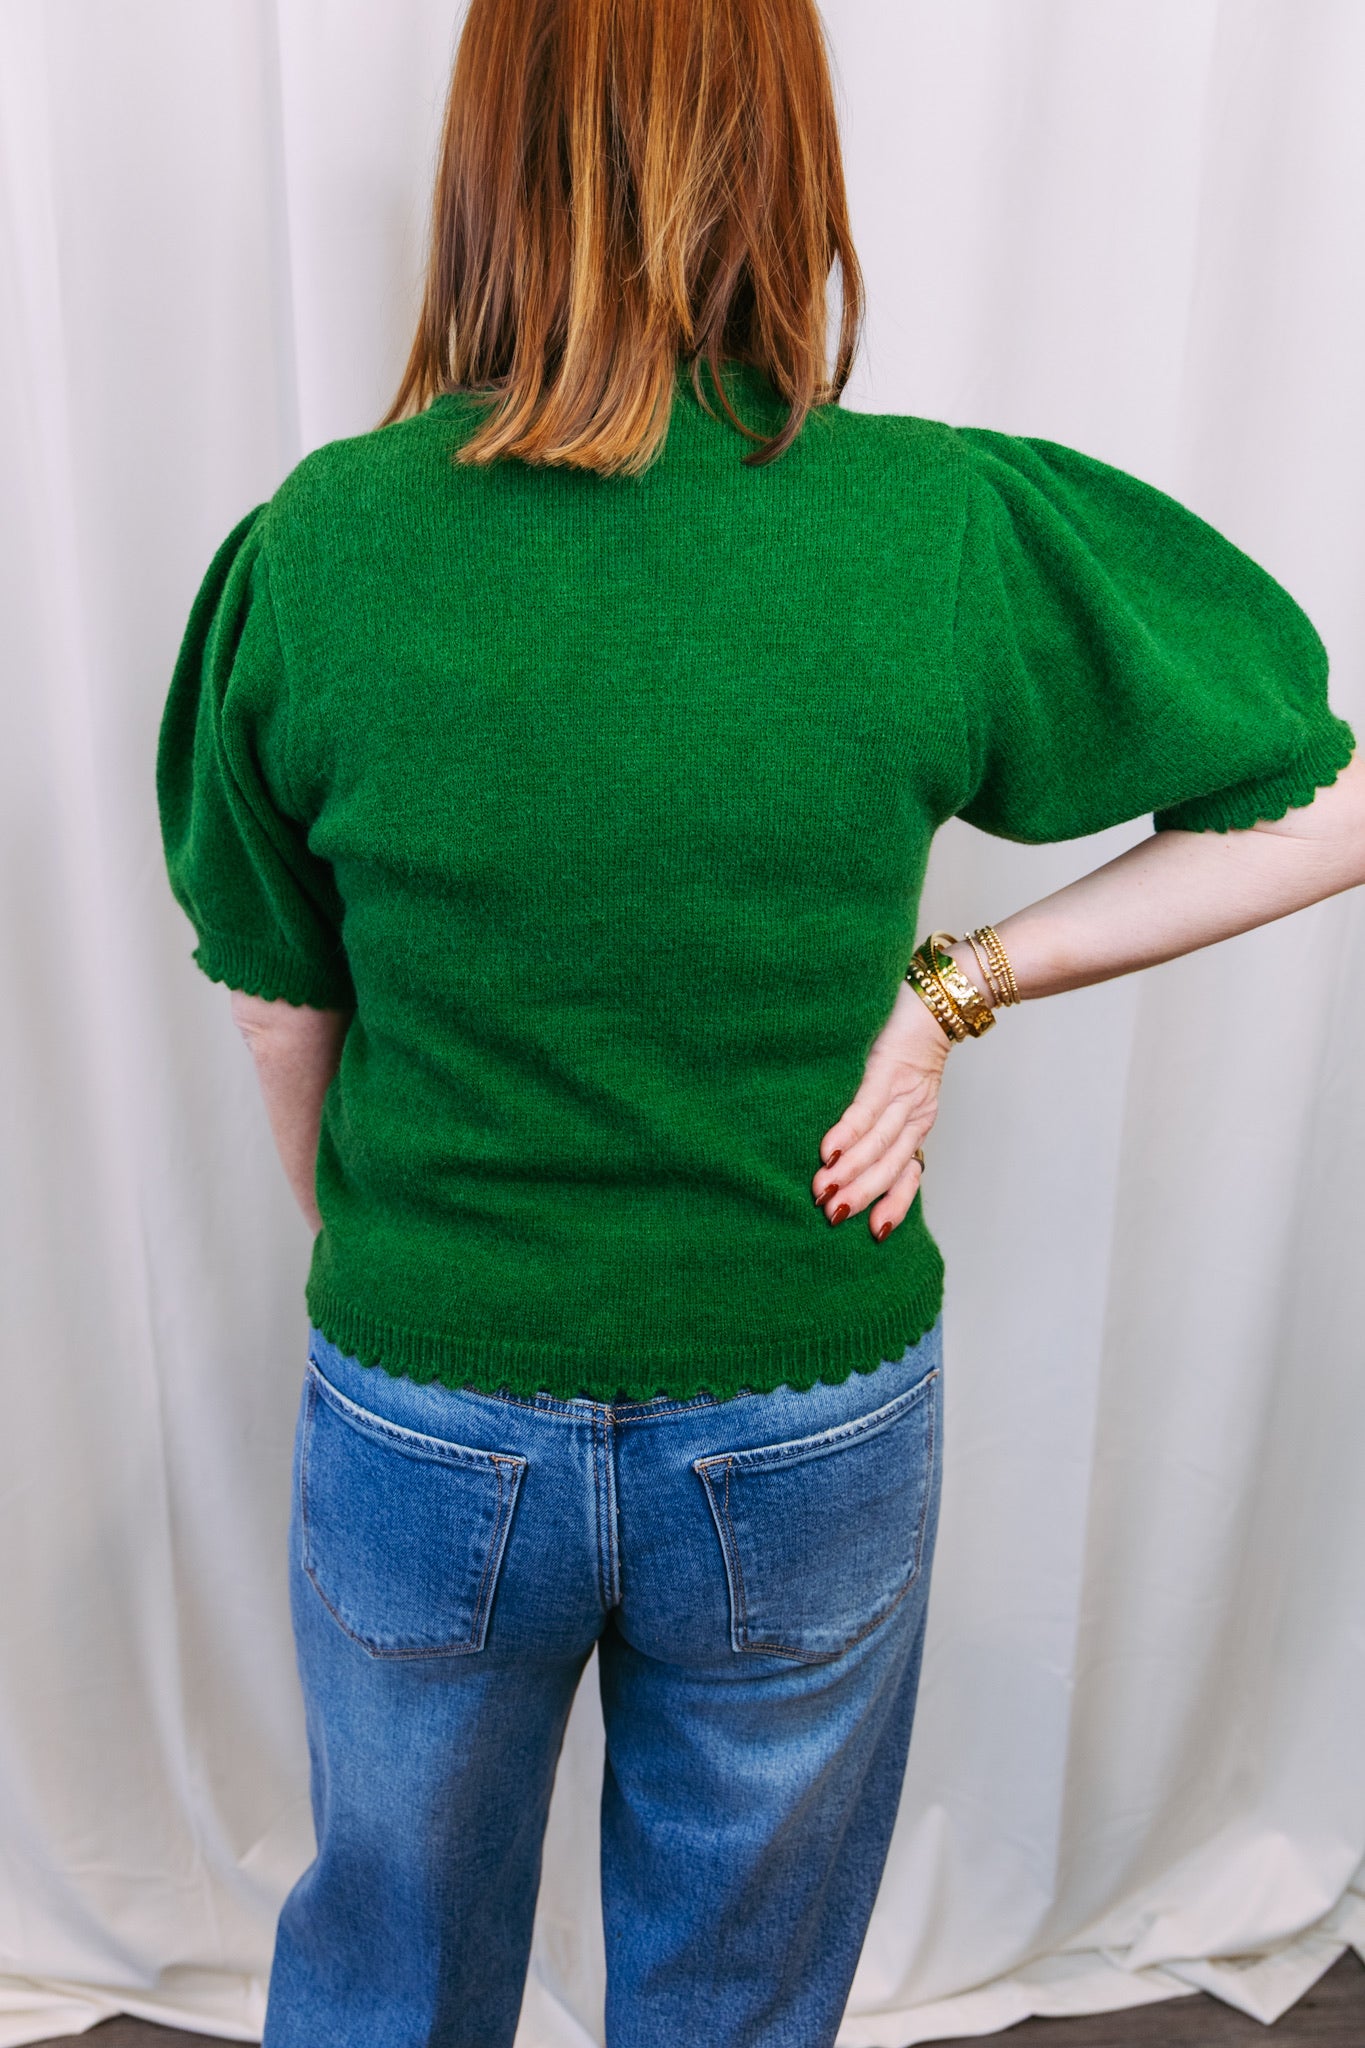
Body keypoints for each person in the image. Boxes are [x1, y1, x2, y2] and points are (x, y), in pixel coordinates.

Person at [154, 2, 1363, 2043]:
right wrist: (947, 994)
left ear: (488, 172)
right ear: (780, 164)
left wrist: (399, 1263)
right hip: (799, 1398)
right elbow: (1318, 795)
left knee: (382, 1973)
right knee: (735, 2002)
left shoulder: (317, 550)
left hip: (430, 1399)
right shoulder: (928, 525)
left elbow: (289, 1021)